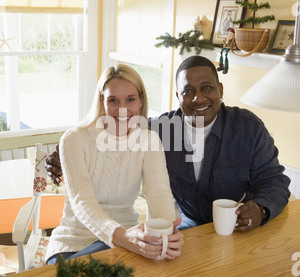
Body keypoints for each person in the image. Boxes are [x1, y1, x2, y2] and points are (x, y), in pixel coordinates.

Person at [46, 55, 291, 233]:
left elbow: (275, 180)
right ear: (177, 97)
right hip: (188, 226)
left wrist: (262, 209)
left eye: (206, 88)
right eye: (187, 91)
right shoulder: (160, 130)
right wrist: (59, 157)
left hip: (236, 228)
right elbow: (111, 128)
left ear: (220, 89)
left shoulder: (247, 128)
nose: (198, 98)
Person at [45, 64, 183, 265]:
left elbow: (159, 192)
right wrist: (121, 237)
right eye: (113, 100)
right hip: (74, 243)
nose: (122, 109)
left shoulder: (149, 140)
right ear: (102, 101)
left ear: (141, 100)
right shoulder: (74, 139)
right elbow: (82, 202)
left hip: (130, 240)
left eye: (130, 99)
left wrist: (166, 235)